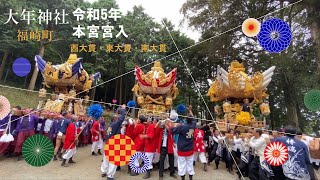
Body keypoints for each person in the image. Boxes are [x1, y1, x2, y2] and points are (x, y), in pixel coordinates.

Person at [101, 104, 126, 180]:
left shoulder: (109, 125)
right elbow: (122, 118)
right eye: (116, 117)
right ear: (114, 119)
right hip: (113, 144)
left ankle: (104, 171)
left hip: (108, 142)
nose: (118, 117)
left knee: (106, 159)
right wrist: (124, 109)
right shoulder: (115, 123)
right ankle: (110, 175)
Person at [170, 115, 195, 180]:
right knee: (190, 164)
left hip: (182, 149)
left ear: (186, 120)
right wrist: (190, 110)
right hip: (190, 149)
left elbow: (172, 130)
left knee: (181, 165)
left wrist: (174, 125)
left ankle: (183, 178)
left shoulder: (182, 126)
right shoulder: (193, 125)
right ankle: (190, 178)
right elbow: (194, 120)